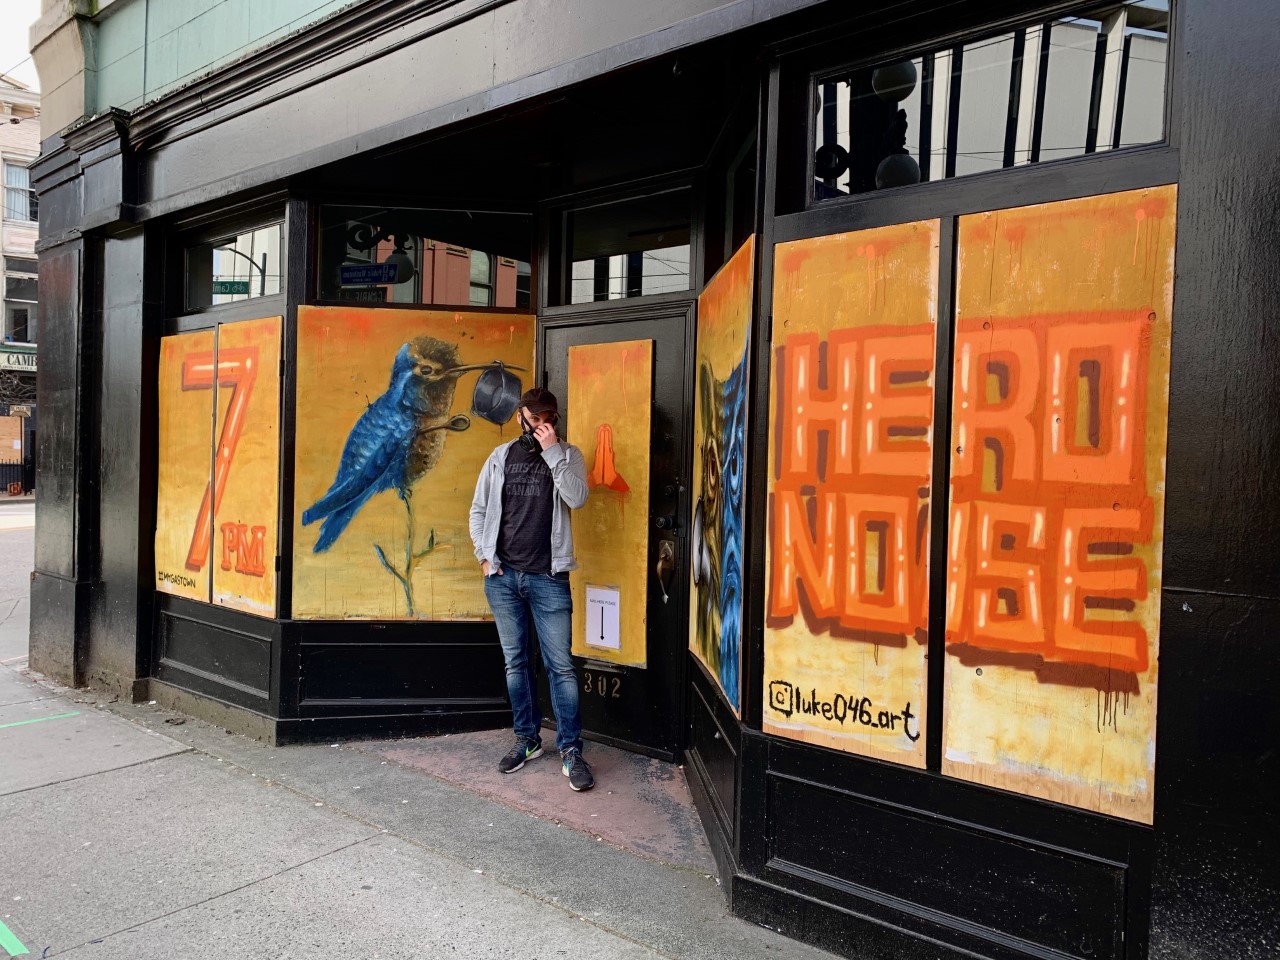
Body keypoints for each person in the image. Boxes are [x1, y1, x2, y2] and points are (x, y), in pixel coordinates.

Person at [469, 387, 594, 791]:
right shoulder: (500, 456)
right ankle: (527, 739)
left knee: (561, 667)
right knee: (516, 663)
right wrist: (485, 558)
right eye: (534, 418)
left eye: (548, 419)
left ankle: (571, 749)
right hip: (503, 578)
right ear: (520, 416)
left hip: (548, 578)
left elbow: (577, 498)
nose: (541, 425)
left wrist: (553, 452)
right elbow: (479, 510)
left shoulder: (569, 455)